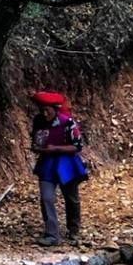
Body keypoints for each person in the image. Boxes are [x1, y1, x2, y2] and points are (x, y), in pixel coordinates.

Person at [30, 90, 88, 246]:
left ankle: (74, 229)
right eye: (42, 110)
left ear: (55, 109)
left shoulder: (67, 123)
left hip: (66, 162)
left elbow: (77, 146)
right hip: (46, 163)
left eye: (47, 110)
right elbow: (35, 140)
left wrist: (55, 148)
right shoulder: (38, 121)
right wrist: (38, 148)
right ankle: (51, 234)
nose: (44, 113)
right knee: (46, 197)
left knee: (71, 197)